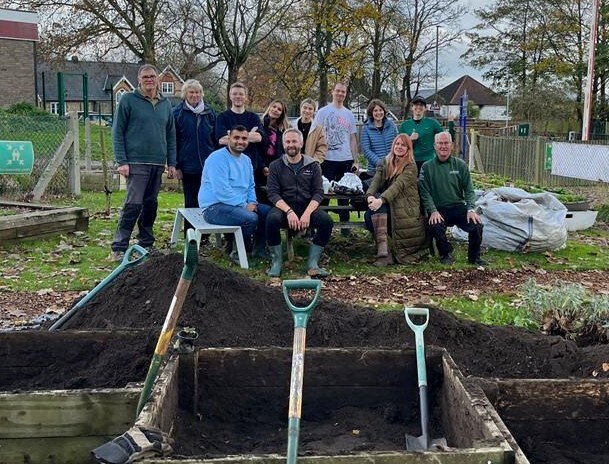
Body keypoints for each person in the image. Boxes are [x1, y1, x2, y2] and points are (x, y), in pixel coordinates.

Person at [109, 64, 176, 261]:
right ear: (139, 79)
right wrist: (122, 160)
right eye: (145, 76)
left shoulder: (165, 104)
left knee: (150, 204)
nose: (149, 79)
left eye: (152, 76)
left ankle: (145, 243)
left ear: (158, 79)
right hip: (135, 162)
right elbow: (117, 132)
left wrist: (171, 162)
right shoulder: (128, 100)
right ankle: (119, 247)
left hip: (157, 162)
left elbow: (171, 135)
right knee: (133, 204)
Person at [266, 128, 334, 277]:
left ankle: (313, 263)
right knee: (271, 219)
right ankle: (276, 261)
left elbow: (318, 192)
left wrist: (307, 213)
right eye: (288, 142)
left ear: (301, 143)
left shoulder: (313, 165)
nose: (291, 145)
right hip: (284, 209)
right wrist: (289, 212)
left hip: (306, 208)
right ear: (283, 144)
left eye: (294, 141)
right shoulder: (275, 166)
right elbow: (272, 193)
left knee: (326, 221)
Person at [198, 125, 271, 260]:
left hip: (238, 204)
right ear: (229, 138)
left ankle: (258, 251)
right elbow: (222, 191)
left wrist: (252, 202)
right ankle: (237, 252)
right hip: (214, 206)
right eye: (236, 137)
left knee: (268, 212)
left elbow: (250, 186)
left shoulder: (246, 160)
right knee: (251, 218)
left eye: (244, 138)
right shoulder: (217, 158)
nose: (240, 141)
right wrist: (244, 206)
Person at [418, 132, 486, 266]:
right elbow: (424, 192)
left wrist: (471, 209)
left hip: (458, 207)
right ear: (435, 146)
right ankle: (446, 253)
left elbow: (469, 190)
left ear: (452, 145)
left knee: (477, 225)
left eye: (446, 143)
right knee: (435, 225)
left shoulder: (460, 165)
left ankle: (474, 257)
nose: (443, 146)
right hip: (439, 208)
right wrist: (433, 210)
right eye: (440, 143)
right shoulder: (427, 167)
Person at [365, 134, 427, 266]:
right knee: (369, 215)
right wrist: (370, 194)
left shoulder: (411, 166)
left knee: (376, 210)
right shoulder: (385, 161)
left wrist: (380, 200)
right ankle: (385, 253)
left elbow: (397, 187)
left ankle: (386, 254)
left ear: (408, 148)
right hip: (391, 203)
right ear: (393, 146)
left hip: (405, 207)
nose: (399, 147)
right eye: (397, 144)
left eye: (403, 145)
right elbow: (376, 180)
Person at [314, 82, 359, 234]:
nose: (340, 94)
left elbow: (352, 138)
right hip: (326, 159)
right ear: (332, 92)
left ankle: (345, 228)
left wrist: (355, 160)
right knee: (324, 194)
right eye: (338, 91)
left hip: (345, 159)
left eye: (343, 92)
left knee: (344, 195)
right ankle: (321, 226)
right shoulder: (322, 112)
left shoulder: (349, 114)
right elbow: (316, 135)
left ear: (346, 94)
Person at [173, 79, 216, 235]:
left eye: (197, 92)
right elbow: (174, 140)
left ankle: (205, 235)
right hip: (188, 166)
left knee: (207, 201)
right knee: (191, 202)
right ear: (185, 94)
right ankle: (190, 235)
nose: (195, 95)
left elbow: (215, 138)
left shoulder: (210, 113)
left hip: (208, 166)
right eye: (191, 92)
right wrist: (176, 165)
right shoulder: (178, 113)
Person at [215, 82, 265, 175]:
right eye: (234, 94)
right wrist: (249, 135)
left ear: (245, 97)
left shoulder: (253, 117)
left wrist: (231, 136)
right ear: (230, 96)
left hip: (250, 166)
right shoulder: (222, 117)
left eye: (241, 94)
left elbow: (258, 137)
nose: (238, 96)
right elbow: (221, 140)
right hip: (228, 166)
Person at [399, 95, 455, 174]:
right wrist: (410, 139)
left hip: (429, 161)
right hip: (410, 162)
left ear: (425, 108)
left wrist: (451, 123)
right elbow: (399, 145)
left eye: (421, 105)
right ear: (412, 107)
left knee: (429, 184)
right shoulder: (404, 126)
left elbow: (448, 138)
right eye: (416, 105)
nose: (418, 107)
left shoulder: (432, 123)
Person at [257, 99, 291, 202]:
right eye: (274, 107)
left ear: (282, 113)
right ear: (269, 108)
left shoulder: (283, 131)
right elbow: (255, 149)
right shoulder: (259, 125)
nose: (276, 110)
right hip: (259, 166)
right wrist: (262, 166)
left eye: (279, 109)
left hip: (275, 168)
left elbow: (283, 152)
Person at [360, 99, 397, 180]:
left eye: (380, 110)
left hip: (392, 167)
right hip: (375, 170)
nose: (378, 113)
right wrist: (380, 163)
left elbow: (397, 143)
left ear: (384, 111)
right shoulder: (366, 128)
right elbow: (366, 150)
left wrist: (392, 160)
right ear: (371, 113)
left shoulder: (391, 125)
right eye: (375, 110)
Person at [296, 98, 327, 162]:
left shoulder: (318, 129)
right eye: (305, 108)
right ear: (300, 108)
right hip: (292, 163)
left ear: (314, 111)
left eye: (310, 109)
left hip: (310, 164)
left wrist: (314, 162)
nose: (307, 111)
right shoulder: (291, 126)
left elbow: (322, 147)